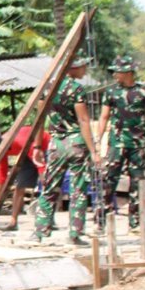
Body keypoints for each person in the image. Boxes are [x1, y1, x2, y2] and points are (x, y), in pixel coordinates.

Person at [32, 55, 101, 245]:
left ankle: (40, 231)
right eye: (83, 66)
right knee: (78, 189)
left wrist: (37, 146)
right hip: (76, 142)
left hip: (56, 144)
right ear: (73, 68)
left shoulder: (47, 88)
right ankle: (75, 234)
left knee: (49, 187)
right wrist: (93, 151)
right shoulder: (76, 89)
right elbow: (83, 120)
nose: (85, 70)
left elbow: (39, 120)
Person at [96, 55, 145, 230]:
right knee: (108, 181)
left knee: (138, 184)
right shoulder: (111, 92)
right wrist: (98, 141)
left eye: (118, 72)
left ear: (128, 72)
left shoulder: (144, 92)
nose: (115, 75)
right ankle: (101, 222)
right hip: (116, 144)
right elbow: (104, 117)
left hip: (138, 145)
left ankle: (135, 224)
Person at [0, 125, 48, 231]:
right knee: (19, 186)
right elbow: (2, 171)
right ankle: (13, 222)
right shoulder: (2, 147)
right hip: (26, 153)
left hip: (43, 147)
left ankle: (48, 220)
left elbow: (40, 163)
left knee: (47, 184)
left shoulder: (19, 141)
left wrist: (44, 178)